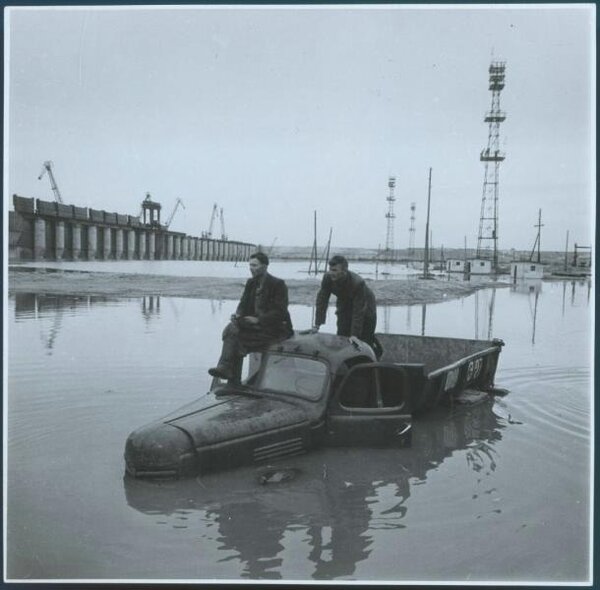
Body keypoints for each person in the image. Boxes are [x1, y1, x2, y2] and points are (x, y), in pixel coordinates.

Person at [209, 252, 293, 383]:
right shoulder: (251, 283)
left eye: (254, 265)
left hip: (274, 328)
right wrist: (238, 315)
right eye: (250, 265)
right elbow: (243, 303)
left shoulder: (278, 284)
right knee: (231, 328)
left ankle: (230, 375)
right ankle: (227, 370)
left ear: (264, 266)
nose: (251, 268)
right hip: (255, 326)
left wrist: (259, 319)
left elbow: (280, 312)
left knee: (235, 339)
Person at [313, 254, 378, 349]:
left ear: (344, 271)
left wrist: (355, 335)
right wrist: (317, 325)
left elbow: (359, 311)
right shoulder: (327, 278)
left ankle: (373, 353)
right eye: (330, 269)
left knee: (363, 341)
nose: (331, 273)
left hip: (366, 305)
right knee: (342, 336)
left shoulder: (358, 283)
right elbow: (322, 301)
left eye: (335, 270)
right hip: (344, 302)